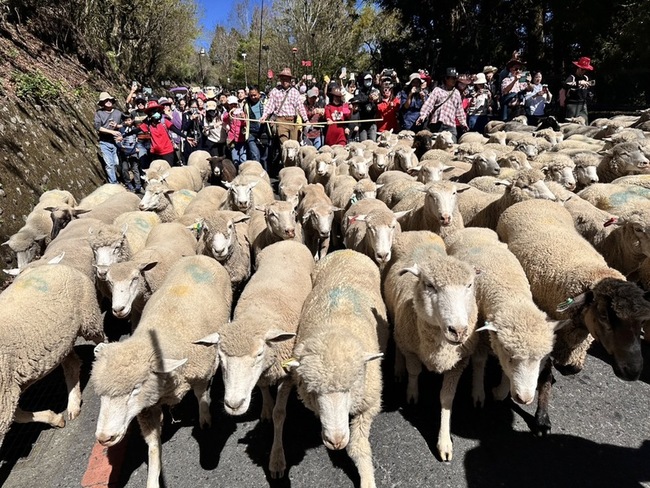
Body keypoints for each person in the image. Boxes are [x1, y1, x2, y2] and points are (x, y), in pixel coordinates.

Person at [133, 100, 194, 166]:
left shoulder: (164, 121)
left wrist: (186, 137)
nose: (155, 113)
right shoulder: (147, 124)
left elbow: (175, 130)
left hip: (167, 152)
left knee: (169, 171)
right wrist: (124, 135)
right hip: (155, 153)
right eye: (152, 111)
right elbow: (136, 130)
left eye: (156, 110)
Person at [416, 68, 468, 142]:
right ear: (446, 78)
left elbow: (459, 110)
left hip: (450, 126)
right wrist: (423, 116)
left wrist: (463, 123)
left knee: (451, 146)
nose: (454, 80)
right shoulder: (437, 90)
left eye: (455, 78)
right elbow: (429, 104)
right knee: (434, 147)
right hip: (436, 124)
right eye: (452, 78)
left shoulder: (456, 93)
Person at [259, 67, 309, 144]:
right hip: (280, 121)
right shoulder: (275, 91)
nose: (285, 81)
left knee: (293, 146)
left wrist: (306, 120)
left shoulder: (295, 92)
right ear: (280, 80)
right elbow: (269, 106)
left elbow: (300, 107)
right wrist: (264, 117)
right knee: (285, 144)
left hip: (293, 121)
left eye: (287, 79)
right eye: (283, 79)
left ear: (290, 80)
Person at [94, 91, 123, 184]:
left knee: (117, 163)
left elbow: (125, 124)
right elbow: (98, 127)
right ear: (102, 103)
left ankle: (118, 178)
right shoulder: (99, 113)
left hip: (116, 141)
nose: (108, 101)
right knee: (109, 164)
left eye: (109, 100)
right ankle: (114, 184)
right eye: (106, 100)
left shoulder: (118, 113)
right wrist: (111, 131)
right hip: (104, 141)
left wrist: (117, 126)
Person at [243, 86, 271, 170]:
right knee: (255, 156)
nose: (253, 97)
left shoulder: (265, 102)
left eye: (255, 95)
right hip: (252, 132)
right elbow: (245, 116)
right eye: (251, 96)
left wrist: (268, 119)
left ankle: (265, 175)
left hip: (264, 132)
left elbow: (272, 112)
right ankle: (257, 174)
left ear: (259, 94)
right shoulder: (246, 104)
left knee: (264, 158)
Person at [117, 112, 142, 193]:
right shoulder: (120, 129)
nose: (128, 122)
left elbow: (138, 139)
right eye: (126, 120)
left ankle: (138, 184)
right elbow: (117, 140)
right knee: (125, 168)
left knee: (135, 168)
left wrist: (137, 147)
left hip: (133, 150)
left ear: (132, 120)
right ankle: (128, 183)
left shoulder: (135, 129)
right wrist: (121, 147)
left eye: (129, 120)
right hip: (124, 151)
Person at [563, 57, 594, 122]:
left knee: (584, 123)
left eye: (586, 70)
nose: (584, 71)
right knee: (571, 124)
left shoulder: (586, 78)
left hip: (583, 104)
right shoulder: (572, 77)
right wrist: (578, 83)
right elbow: (566, 84)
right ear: (578, 68)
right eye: (582, 69)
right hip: (572, 104)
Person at [354, 72, 380, 141]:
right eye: (366, 80)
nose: (368, 81)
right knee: (363, 142)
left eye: (370, 80)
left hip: (372, 122)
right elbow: (357, 99)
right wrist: (368, 99)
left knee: (373, 142)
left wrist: (377, 99)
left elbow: (380, 99)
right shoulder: (358, 91)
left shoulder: (375, 90)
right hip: (362, 123)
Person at [224, 95, 247, 166]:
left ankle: (243, 169)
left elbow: (245, 123)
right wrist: (230, 113)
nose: (233, 106)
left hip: (241, 137)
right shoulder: (227, 113)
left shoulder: (241, 111)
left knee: (243, 157)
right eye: (231, 104)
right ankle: (236, 169)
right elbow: (224, 119)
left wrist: (243, 117)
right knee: (235, 157)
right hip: (232, 139)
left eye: (234, 104)